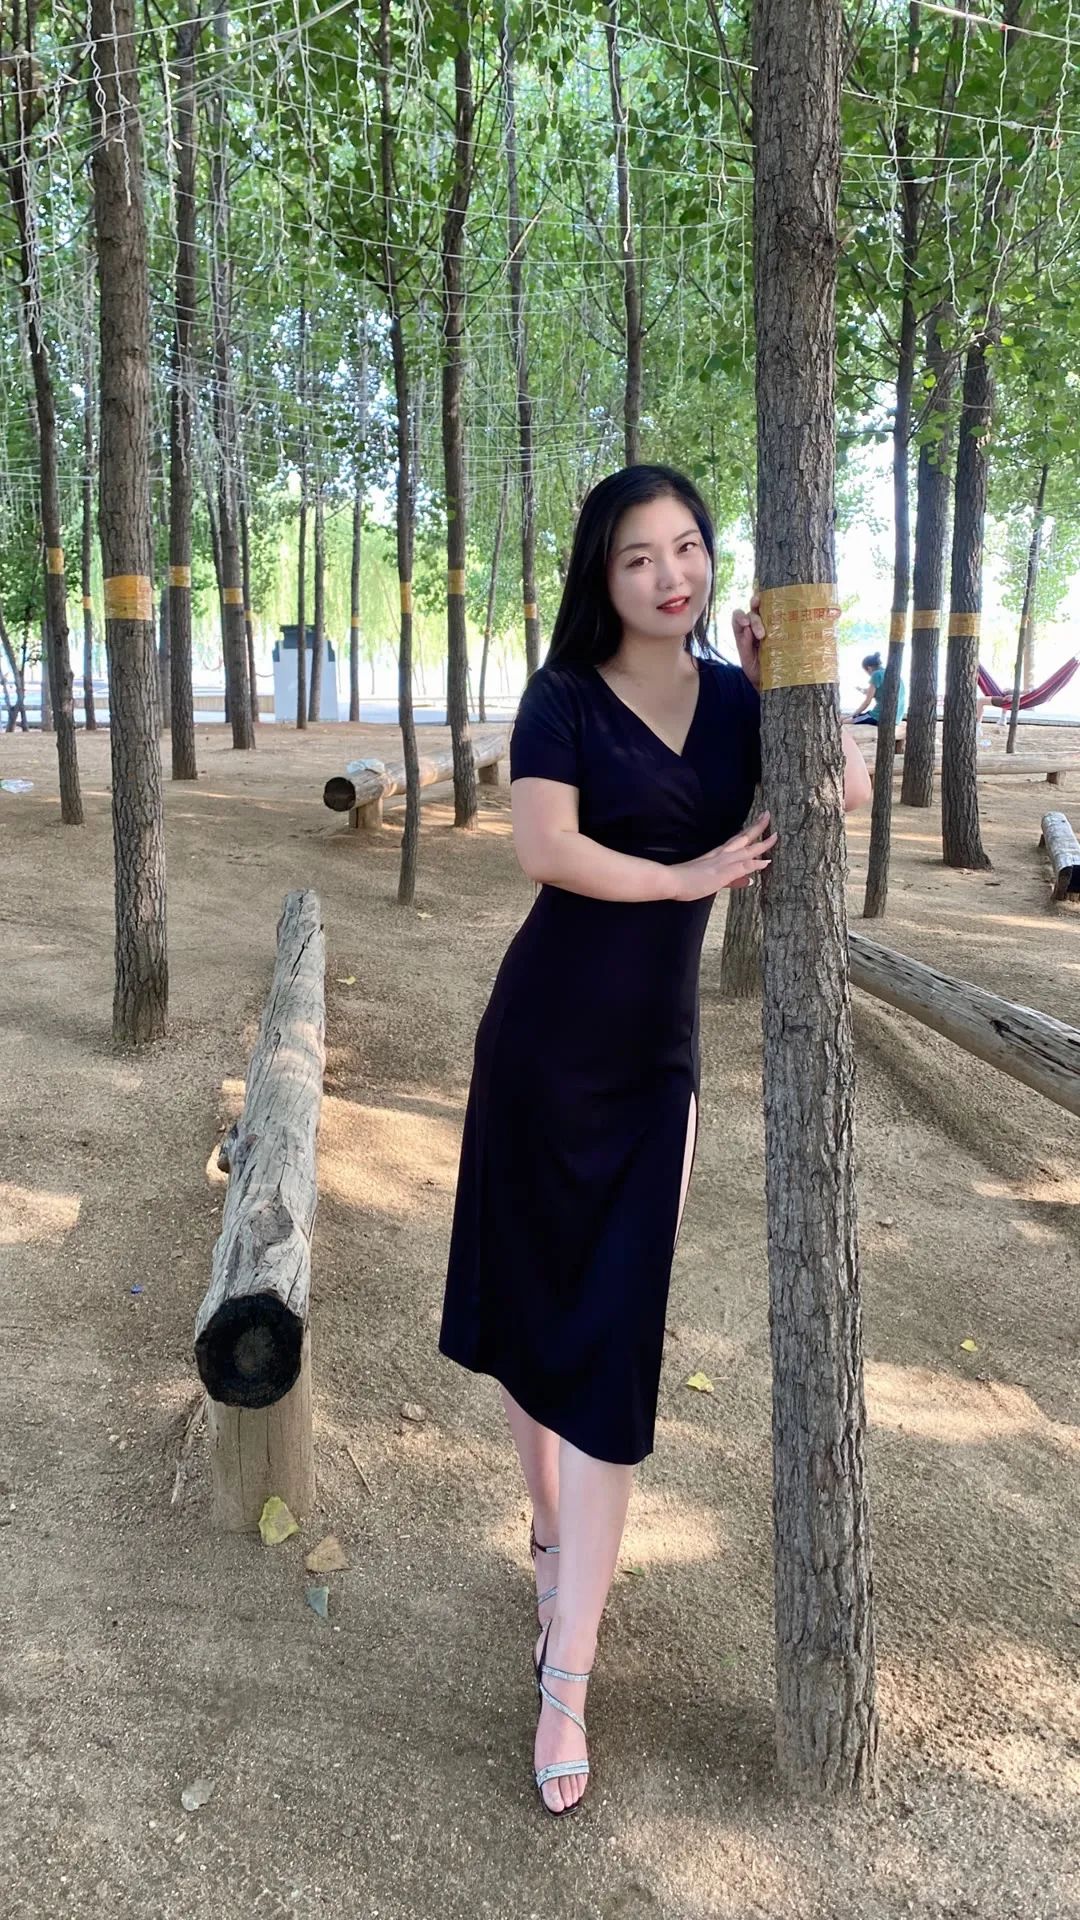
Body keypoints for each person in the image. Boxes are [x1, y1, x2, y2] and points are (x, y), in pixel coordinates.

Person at [438, 465, 872, 1817]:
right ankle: (549, 1530)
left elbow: (845, 790)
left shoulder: (740, 703)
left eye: (686, 547)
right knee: (527, 1316)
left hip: (651, 1073)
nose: (669, 575)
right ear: (603, 574)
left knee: (613, 1342)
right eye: (639, 557)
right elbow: (546, 848)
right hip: (538, 1046)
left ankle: (567, 1669)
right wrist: (684, 876)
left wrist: (793, 682)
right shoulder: (563, 697)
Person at [852, 650, 907, 726]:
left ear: (869, 668)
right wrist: (862, 690)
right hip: (897, 718)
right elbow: (879, 692)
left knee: (845, 720)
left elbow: (867, 702)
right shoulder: (890, 673)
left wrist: (853, 714)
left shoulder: (876, 674)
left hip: (879, 717)